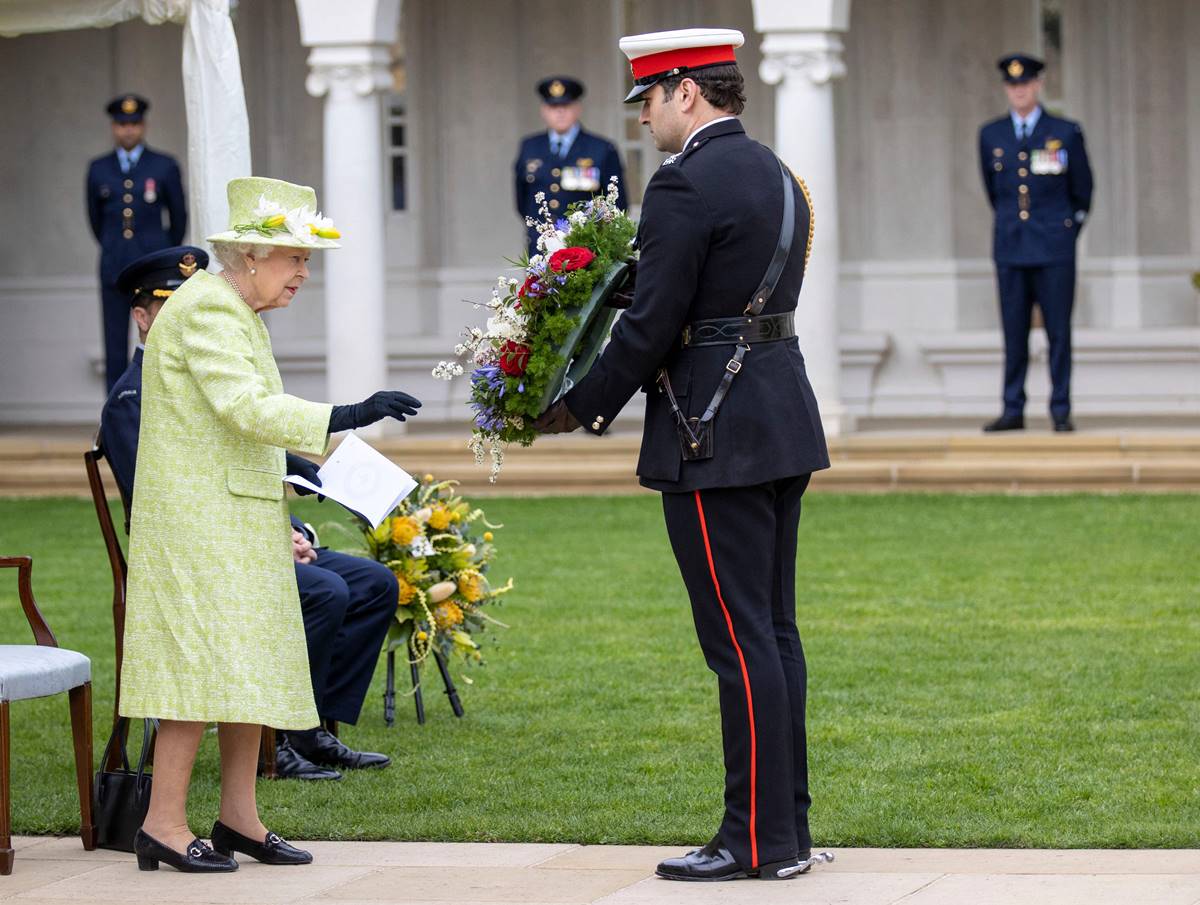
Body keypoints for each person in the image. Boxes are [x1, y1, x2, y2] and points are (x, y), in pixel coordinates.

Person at [535, 28, 829, 882]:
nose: (645, 120)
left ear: (687, 92)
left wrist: (576, 405)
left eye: (651, 100)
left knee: (738, 643)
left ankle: (755, 841)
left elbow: (653, 322)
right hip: (778, 417)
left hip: (713, 431)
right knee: (773, 632)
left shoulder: (683, 183)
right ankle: (789, 831)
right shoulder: (782, 174)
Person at [119, 176, 421, 874]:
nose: (303, 275)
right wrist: (349, 412)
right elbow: (246, 408)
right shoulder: (206, 310)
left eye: (305, 262)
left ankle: (238, 818)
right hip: (198, 524)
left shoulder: (233, 308)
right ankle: (162, 824)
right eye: (294, 259)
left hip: (231, 514)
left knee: (247, 664)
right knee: (194, 672)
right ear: (251, 255)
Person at [100, 245, 396, 784]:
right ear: (142, 317)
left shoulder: (237, 323)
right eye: (166, 303)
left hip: (248, 527)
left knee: (373, 583)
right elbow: (166, 484)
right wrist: (347, 414)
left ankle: (308, 729)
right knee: (326, 593)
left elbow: (247, 441)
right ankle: (278, 742)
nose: (304, 273)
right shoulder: (132, 397)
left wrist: (297, 521)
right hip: (201, 544)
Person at [979, 54, 1093, 433]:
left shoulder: (1065, 131)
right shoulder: (991, 135)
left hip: (1054, 247)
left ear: (1038, 85)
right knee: (1014, 331)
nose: (1019, 90)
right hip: (1011, 246)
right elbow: (994, 192)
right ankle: (1013, 408)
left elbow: (1083, 191)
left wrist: (1065, 232)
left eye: (1025, 84)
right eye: (1013, 85)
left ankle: (1060, 408)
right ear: (1006, 89)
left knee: (1058, 330)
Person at [86, 94, 187, 392]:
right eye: (121, 124)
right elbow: (95, 220)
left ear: (143, 125)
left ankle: (161, 406)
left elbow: (178, 218)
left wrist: (163, 254)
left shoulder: (164, 165)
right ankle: (116, 416)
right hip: (114, 266)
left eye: (134, 123)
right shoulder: (98, 168)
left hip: (153, 268)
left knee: (161, 337)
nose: (128, 130)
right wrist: (114, 247)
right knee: (114, 343)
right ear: (113, 127)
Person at [514, 76, 625, 256]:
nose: (560, 113)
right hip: (540, 249)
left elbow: (617, 204)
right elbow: (522, 200)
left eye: (565, 106)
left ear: (578, 108)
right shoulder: (529, 147)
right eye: (553, 107)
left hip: (586, 249)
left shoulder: (602, 149)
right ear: (543, 110)